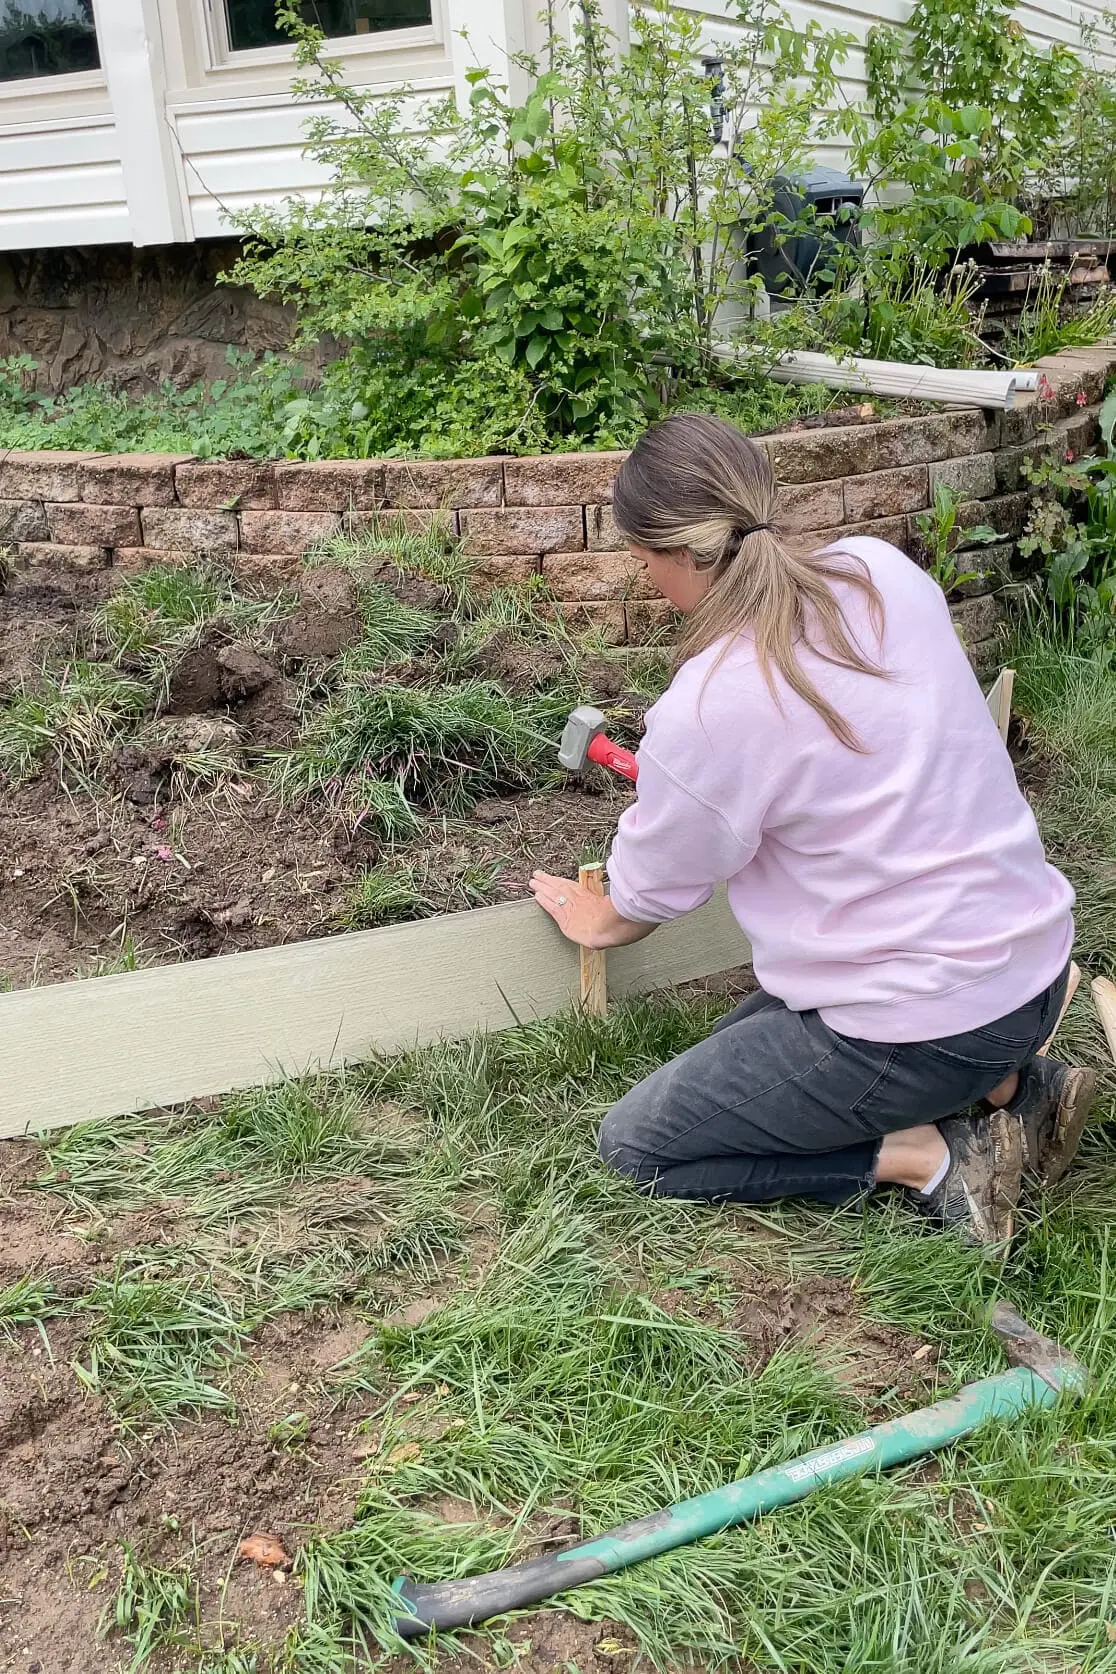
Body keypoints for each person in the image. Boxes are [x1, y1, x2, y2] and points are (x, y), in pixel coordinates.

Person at [529, 413, 1095, 1248]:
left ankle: (930, 1157)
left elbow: (654, 890)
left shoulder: (712, 702)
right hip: (1035, 966)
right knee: (744, 1044)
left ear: (679, 552)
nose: (644, 574)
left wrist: (600, 917)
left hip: (931, 1021)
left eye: (640, 555)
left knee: (642, 1141)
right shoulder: (875, 573)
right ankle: (1022, 1089)